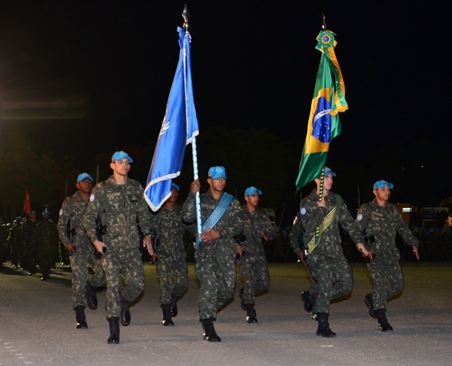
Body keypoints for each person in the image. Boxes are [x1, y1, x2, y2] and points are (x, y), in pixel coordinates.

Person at [290, 167, 371, 337]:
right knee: (325, 283)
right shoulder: (306, 202)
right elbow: (308, 227)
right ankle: (323, 324)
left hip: (336, 251)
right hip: (316, 252)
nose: (330, 180)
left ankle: (314, 297)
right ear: (317, 180)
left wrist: (359, 242)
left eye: (331, 177)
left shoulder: (337, 200)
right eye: (326, 177)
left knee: (346, 285)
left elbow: (349, 222)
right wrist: (320, 209)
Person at [83, 151, 153, 344]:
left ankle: (123, 303)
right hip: (110, 246)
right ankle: (114, 330)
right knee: (112, 286)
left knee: (138, 284)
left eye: (127, 163)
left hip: (131, 246)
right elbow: (89, 217)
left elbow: (143, 214)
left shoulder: (136, 187)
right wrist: (95, 240)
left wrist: (147, 234)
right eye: (119, 162)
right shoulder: (102, 188)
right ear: (112, 165)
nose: (124, 165)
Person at [182, 166, 243, 342]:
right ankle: (208, 324)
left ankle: (206, 308)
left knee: (227, 289)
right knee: (209, 286)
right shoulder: (200, 200)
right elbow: (186, 217)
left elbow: (239, 225)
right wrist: (192, 194)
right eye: (217, 178)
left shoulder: (231, 202)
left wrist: (220, 232)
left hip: (225, 250)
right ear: (209, 180)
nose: (221, 181)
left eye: (223, 178)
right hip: (205, 251)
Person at [356, 180, 420, 331]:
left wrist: (413, 243)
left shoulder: (392, 210)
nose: (387, 192)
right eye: (383, 189)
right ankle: (381, 318)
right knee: (379, 283)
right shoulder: (366, 209)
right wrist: (362, 247)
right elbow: (356, 230)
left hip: (390, 253)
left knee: (397, 286)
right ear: (375, 191)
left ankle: (373, 298)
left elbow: (402, 228)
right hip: (373, 254)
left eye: (388, 189)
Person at [57, 173, 106, 329]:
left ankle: (90, 288)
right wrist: (66, 243)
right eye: (83, 182)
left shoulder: (96, 201)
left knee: (102, 273)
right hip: (77, 247)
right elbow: (61, 225)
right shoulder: (69, 202)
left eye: (89, 181)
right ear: (77, 185)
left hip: (94, 246)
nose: (86, 183)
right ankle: (80, 315)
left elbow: (104, 223)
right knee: (79, 280)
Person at [148, 183, 189, 326]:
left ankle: (173, 299)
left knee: (183, 283)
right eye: (171, 192)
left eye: (176, 192)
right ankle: (166, 315)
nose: (174, 194)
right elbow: (150, 232)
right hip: (163, 254)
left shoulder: (181, 211)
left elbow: (190, 226)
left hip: (179, 254)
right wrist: (152, 250)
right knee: (165, 284)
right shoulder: (157, 212)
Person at [236, 186, 275, 323]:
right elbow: (229, 233)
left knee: (264, 285)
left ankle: (246, 294)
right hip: (245, 254)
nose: (256, 198)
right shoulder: (239, 215)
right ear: (246, 198)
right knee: (249, 282)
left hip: (259, 254)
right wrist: (236, 245)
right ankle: (250, 310)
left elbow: (271, 232)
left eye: (257, 195)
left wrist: (268, 235)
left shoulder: (262, 215)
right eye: (253, 195)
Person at [35, 208, 59, 280]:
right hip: (41, 247)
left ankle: (47, 273)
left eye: (47, 215)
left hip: (50, 247)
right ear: (42, 216)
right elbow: (36, 236)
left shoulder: (52, 225)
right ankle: (44, 274)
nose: (45, 216)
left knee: (49, 261)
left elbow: (56, 236)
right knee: (42, 261)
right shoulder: (39, 225)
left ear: (48, 216)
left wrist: (55, 245)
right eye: (44, 215)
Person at [20, 211, 38, 275]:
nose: (33, 215)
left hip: (36, 243)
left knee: (35, 257)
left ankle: (34, 268)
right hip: (28, 243)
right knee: (29, 257)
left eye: (34, 214)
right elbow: (22, 233)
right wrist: (24, 241)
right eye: (32, 214)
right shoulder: (26, 224)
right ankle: (30, 269)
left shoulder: (37, 224)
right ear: (30, 216)